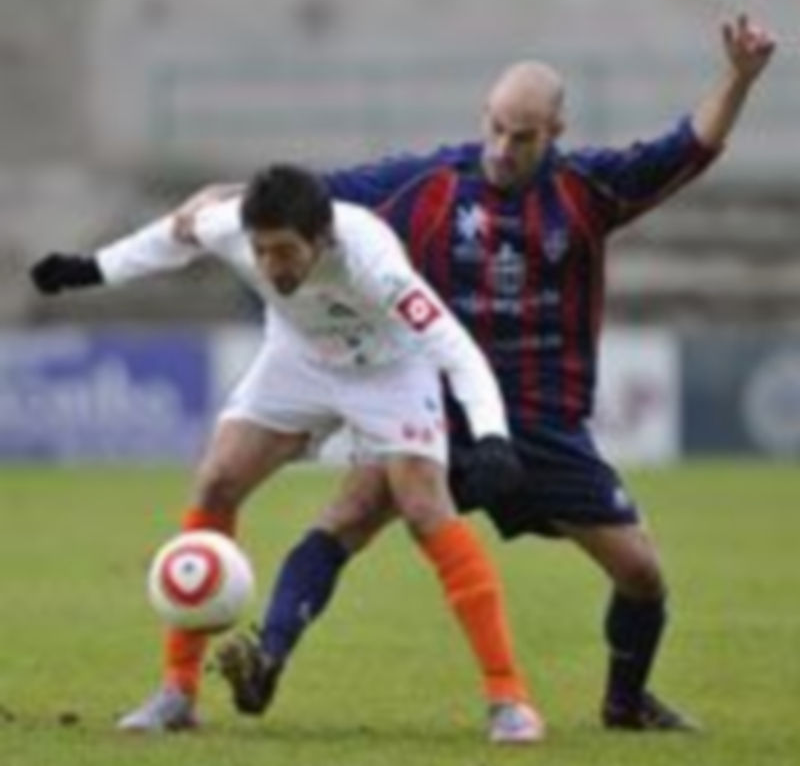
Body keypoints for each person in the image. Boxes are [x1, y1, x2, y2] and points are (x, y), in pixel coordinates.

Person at [32, 13, 776, 731]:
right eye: (494, 126)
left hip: (544, 420)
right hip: (435, 398)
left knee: (641, 572)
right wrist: (226, 195)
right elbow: (310, 197)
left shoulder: (591, 189)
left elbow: (689, 148)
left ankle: (625, 702)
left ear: (554, 134)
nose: (502, 146)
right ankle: (264, 655)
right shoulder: (425, 184)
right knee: (347, 518)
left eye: (522, 136)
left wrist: (738, 78)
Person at [30, 165, 544, 742]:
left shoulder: (374, 260)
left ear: (323, 237)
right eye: (261, 251)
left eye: (286, 251)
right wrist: (89, 269)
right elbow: (174, 238)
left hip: (390, 372)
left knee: (425, 510)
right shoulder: (232, 225)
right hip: (298, 360)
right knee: (216, 483)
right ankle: (178, 692)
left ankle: (508, 698)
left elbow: (457, 350)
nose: (272, 266)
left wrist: (493, 437)